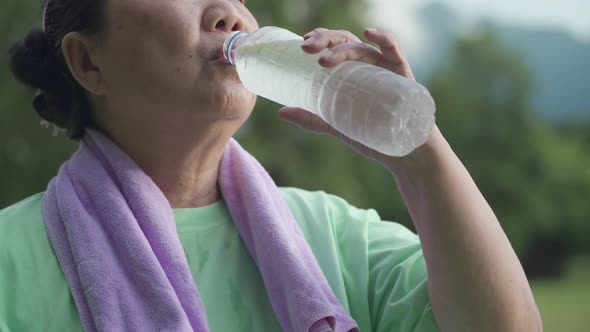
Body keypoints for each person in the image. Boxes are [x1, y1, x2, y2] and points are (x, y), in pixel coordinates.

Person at [0, 0, 542, 331]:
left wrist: (417, 150)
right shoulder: (12, 259)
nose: (229, 11)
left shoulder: (333, 234)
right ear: (87, 60)